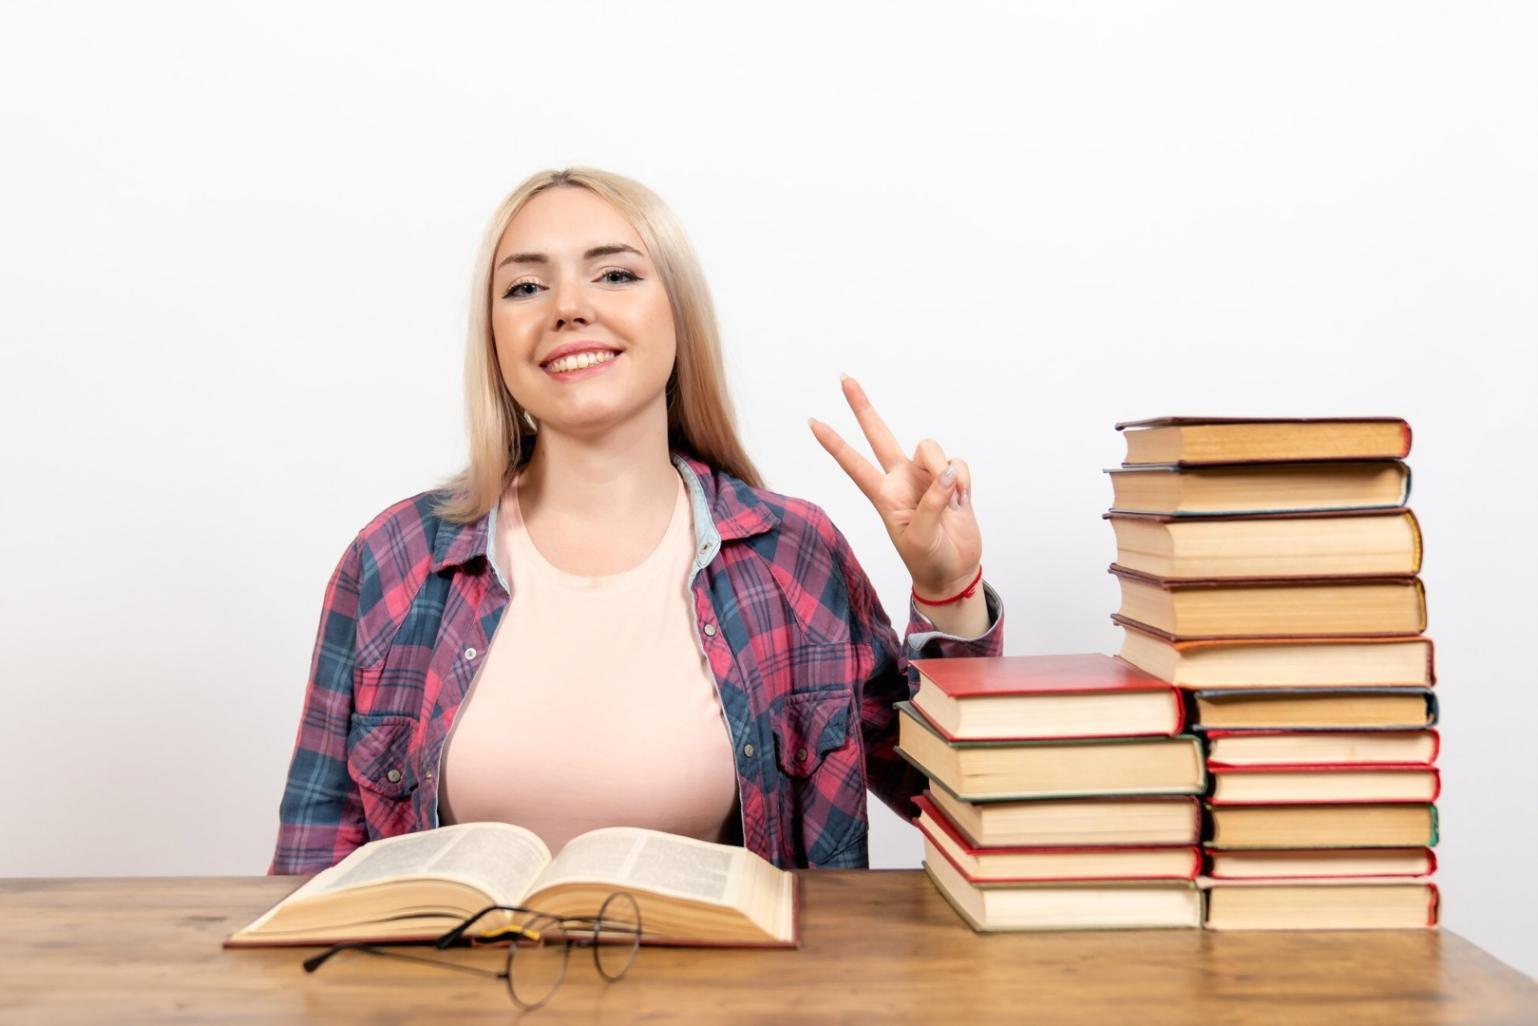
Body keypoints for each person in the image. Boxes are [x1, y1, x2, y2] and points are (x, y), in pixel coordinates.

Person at [268, 167, 1004, 875]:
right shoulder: (392, 561)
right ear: (494, 341)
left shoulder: (792, 556)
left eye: (614, 273)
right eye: (526, 286)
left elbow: (951, 800)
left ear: (677, 315)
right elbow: (311, 870)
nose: (567, 307)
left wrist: (949, 592)